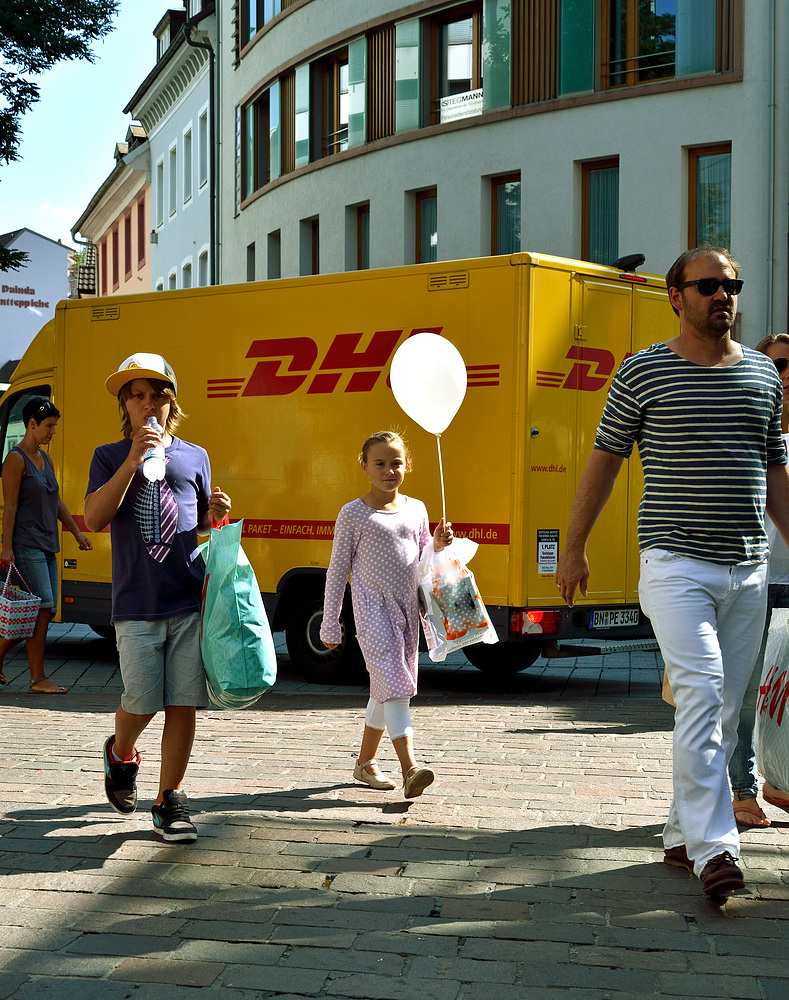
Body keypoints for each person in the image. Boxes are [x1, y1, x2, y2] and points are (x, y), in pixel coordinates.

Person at [555, 245, 789, 898]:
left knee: (720, 710)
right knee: (704, 693)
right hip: (673, 564)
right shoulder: (642, 373)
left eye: (731, 284)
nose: (723, 295)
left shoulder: (763, 379)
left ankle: (678, 834)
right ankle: (716, 849)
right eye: (708, 285)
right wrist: (572, 548)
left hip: (746, 571)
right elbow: (602, 462)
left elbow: (773, 476)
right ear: (675, 297)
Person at [84, 354, 231, 842]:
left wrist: (218, 514)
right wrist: (132, 459)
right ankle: (120, 751)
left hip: (188, 601)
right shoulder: (108, 456)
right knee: (142, 701)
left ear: (173, 403)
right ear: (124, 405)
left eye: (158, 395)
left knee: (183, 703)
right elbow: (94, 519)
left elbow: (203, 528)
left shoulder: (195, 456)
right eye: (137, 395)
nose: (148, 405)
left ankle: (170, 800)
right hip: (136, 603)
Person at [320, 430, 452, 799]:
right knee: (396, 687)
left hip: (408, 611)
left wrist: (438, 544)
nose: (389, 470)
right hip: (372, 612)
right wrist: (331, 622)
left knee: (387, 688)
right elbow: (336, 571)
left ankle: (365, 763)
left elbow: (425, 560)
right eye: (379, 463)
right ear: (364, 466)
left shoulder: (417, 508)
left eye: (396, 462)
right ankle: (411, 768)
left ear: (407, 465)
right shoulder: (353, 514)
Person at [728, 333, 789, 826]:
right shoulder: (751, 433)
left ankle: (780, 781)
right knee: (747, 693)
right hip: (758, 581)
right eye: (779, 365)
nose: (787, 376)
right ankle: (743, 788)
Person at [0, 397, 92, 692]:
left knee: (46, 611)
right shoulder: (15, 460)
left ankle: (32, 674)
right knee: (42, 608)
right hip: (26, 544)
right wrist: (6, 547)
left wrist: (77, 533)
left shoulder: (45, 459)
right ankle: (37, 678)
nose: (53, 431)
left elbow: (56, 501)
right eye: (49, 426)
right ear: (32, 424)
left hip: (48, 544)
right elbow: (10, 507)